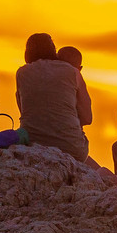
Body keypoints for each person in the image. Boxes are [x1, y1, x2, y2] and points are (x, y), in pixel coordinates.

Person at [15, 33, 91, 161]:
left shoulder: (22, 73)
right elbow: (87, 118)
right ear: (53, 50)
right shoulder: (72, 71)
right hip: (73, 149)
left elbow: (24, 111)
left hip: (32, 144)